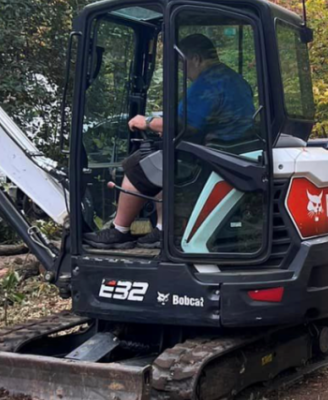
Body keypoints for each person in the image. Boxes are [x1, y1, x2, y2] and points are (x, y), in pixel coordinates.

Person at [85, 33, 255, 249]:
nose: (184, 71)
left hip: (212, 154)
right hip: (230, 149)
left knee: (136, 166)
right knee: (164, 160)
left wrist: (146, 122)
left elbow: (182, 125)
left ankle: (120, 231)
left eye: (183, 64)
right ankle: (163, 230)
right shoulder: (235, 79)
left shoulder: (208, 82)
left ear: (195, 58)